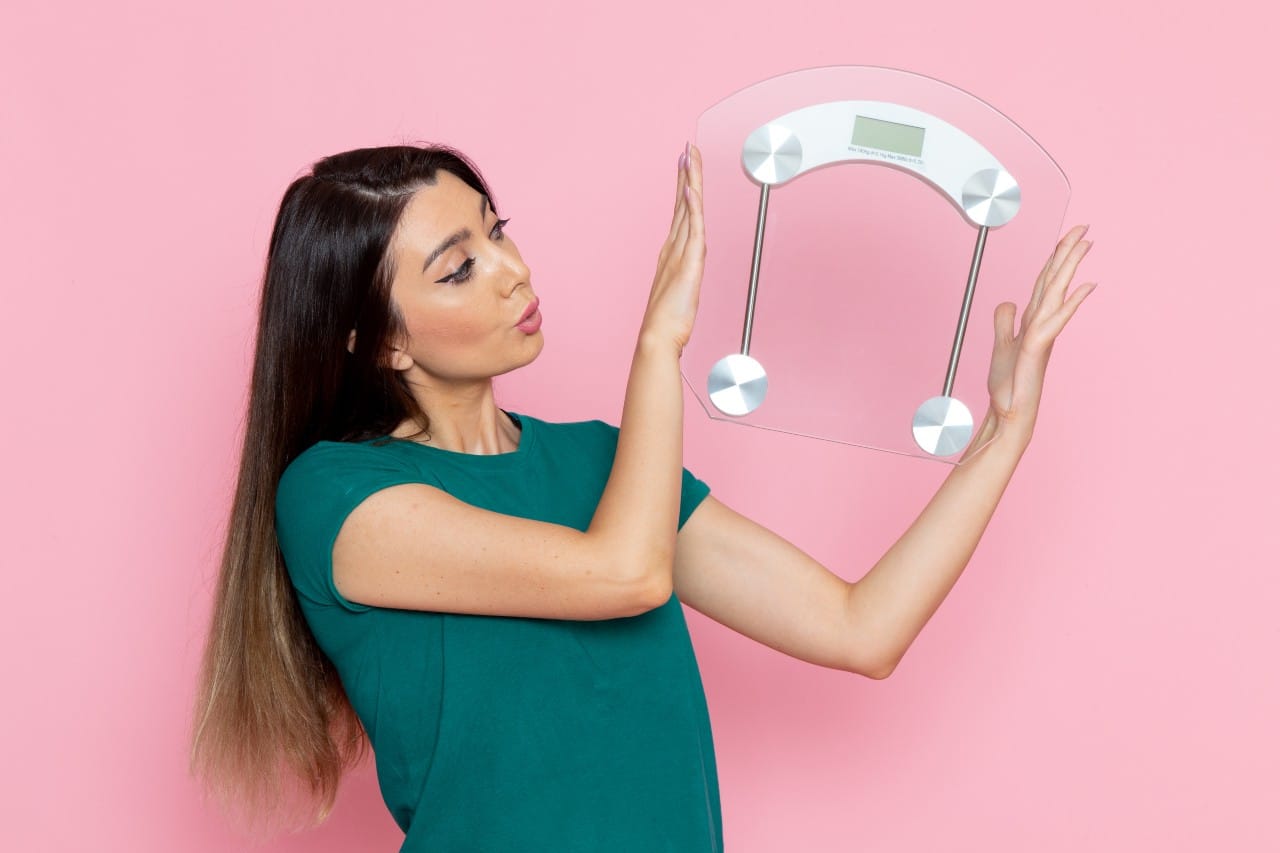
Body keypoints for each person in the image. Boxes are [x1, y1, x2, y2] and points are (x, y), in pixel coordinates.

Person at [191, 142, 1095, 851]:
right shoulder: (337, 496)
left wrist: (1002, 434)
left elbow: (862, 628)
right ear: (383, 343)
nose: (512, 270)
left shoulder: (607, 469)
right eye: (458, 267)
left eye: (497, 230)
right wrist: (658, 347)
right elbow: (622, 575)